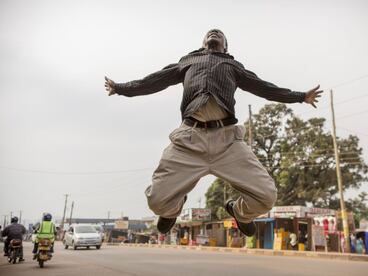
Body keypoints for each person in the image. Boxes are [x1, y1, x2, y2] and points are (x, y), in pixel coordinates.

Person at [105, 29, 322, 236]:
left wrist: (300, 96)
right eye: (210, 32)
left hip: (227, 142)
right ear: (202, 43)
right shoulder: (188, 61)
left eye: (219, 33)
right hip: (189, 140)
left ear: (225, 47)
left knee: (266, 197)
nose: (214, 32)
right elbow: (153, 81)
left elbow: (264, 87)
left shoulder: (233, 65)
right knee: (156, 201)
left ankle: (239, 212)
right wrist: (122, 88)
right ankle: (174, 208)